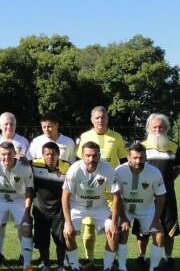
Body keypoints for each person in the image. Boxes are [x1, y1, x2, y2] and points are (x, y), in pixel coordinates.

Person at [75, 106, 127, 269]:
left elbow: (124, 161)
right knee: (89, 224)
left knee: (113, 224)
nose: (100, 120)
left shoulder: (116, 137)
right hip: (90, 189)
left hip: (111, 189)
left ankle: (113, 259)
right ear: (92, 120)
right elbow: (78, 163)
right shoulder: (85, 137)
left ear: (107, 119)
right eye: (97, 118)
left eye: (103, 117)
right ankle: (89, 259)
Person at [134, 113, 180, 269]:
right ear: (148, 127)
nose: (158, 129)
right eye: (154, 126)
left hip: (167, 194)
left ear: (166, 128)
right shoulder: (141, 146)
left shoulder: (174, 146)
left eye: (161, 126)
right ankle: (142, 256)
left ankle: (168, 257)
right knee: (143, 227)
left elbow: (178, 168)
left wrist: (165, 183)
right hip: (145, 195)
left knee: (169, 227)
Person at [62, 141, 119, 271]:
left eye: (94, 155)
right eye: (88, 155)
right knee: (68, 233)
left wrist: (114, 222)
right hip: (77, 207)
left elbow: (116, 196)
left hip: (100, 206)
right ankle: (74, 266)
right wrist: (68, 223)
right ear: (82, 155)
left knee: (113, 233)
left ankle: (108, 267)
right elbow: (65, 196)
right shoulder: (74, 169)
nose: (91, 159)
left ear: (99, 155)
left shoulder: (107, 169)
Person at [0, 112, 32, 266]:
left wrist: (21, 157)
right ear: (0, 126)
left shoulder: (23, 141)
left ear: (15, 125)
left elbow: (27, 163)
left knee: (22, 226)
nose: (8, 126)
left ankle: (24, 257)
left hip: (18, 193)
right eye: (5, 124)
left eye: (11, 123)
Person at [112, 143, 166, 271]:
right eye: (135, 158)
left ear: (146, 157)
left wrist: (155, 219)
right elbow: (116, 197)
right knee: (122, 232)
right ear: (128, 157)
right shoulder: (119, 171)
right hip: (124, 209)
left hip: (147, 209)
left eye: (141, 158)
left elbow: (161, 197)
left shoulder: (154, 172)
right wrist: (123, 218)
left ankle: (153, 268)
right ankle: (122, 267)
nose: (138, 161)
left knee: (159, 234)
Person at [31, 142, 70, 271]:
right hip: (40, 209)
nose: (50, 157)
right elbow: (19, 161)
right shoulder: (34, 164)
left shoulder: (67, 166)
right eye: (47, 154)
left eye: (53, 154)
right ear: (43, 155)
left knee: (60, 239)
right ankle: (46, 265)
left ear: (58, 154)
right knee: (42, 239)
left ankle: (60, 266)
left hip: (59, 209)